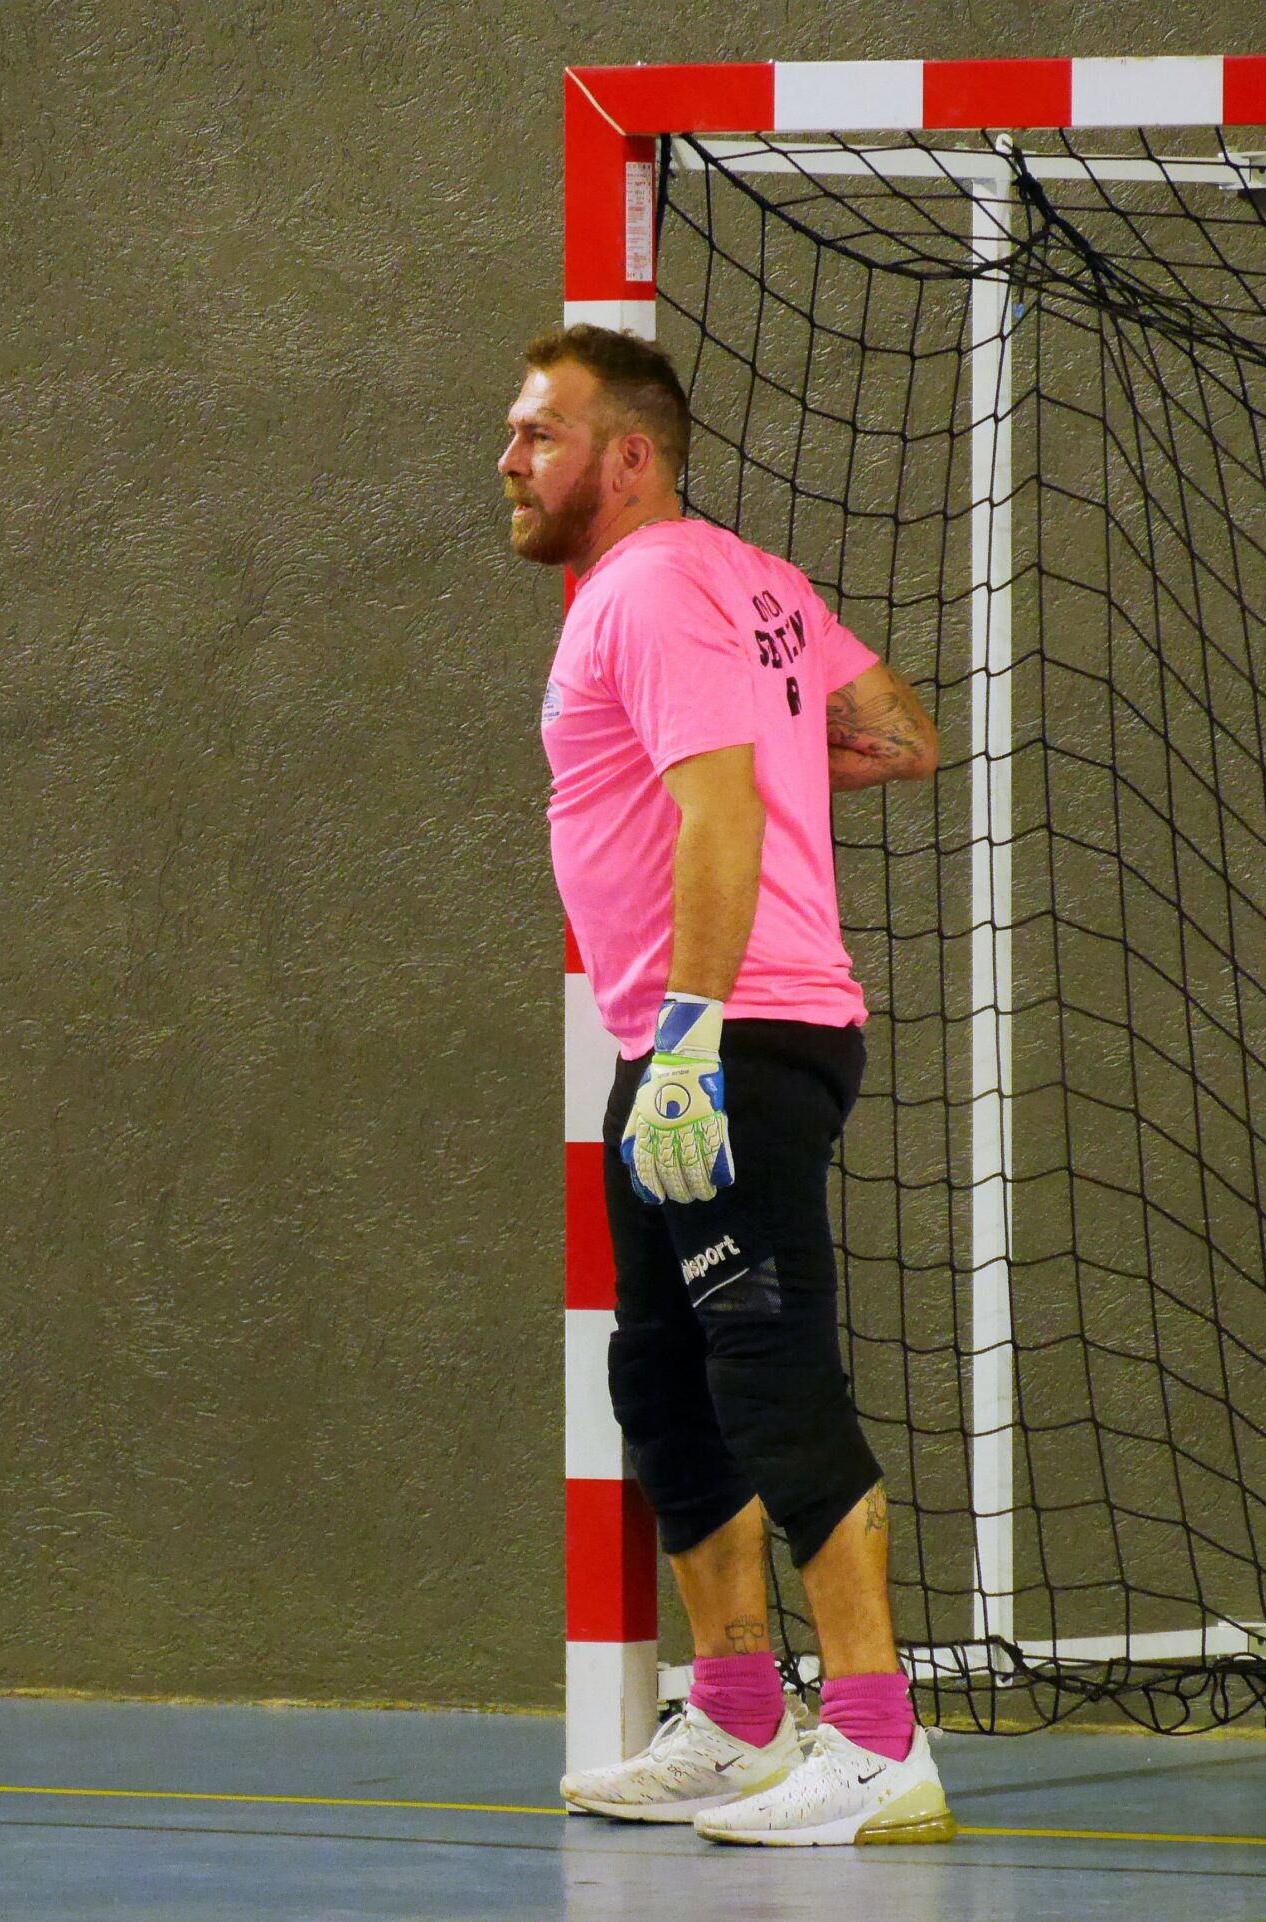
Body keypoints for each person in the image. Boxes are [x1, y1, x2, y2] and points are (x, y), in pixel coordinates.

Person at [501, 323, 951, 1847]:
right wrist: (767, 746)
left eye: (538, 435)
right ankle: (743, 1717)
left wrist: (689, 1032)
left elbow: (717, 811)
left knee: (767, 1370)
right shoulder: (748, 580)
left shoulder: (647, 586)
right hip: (687, 1042)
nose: (509, 461)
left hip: (730, 1038)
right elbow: (897, 731)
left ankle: (880, 1741)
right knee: (665, 1378)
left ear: (627, 456)